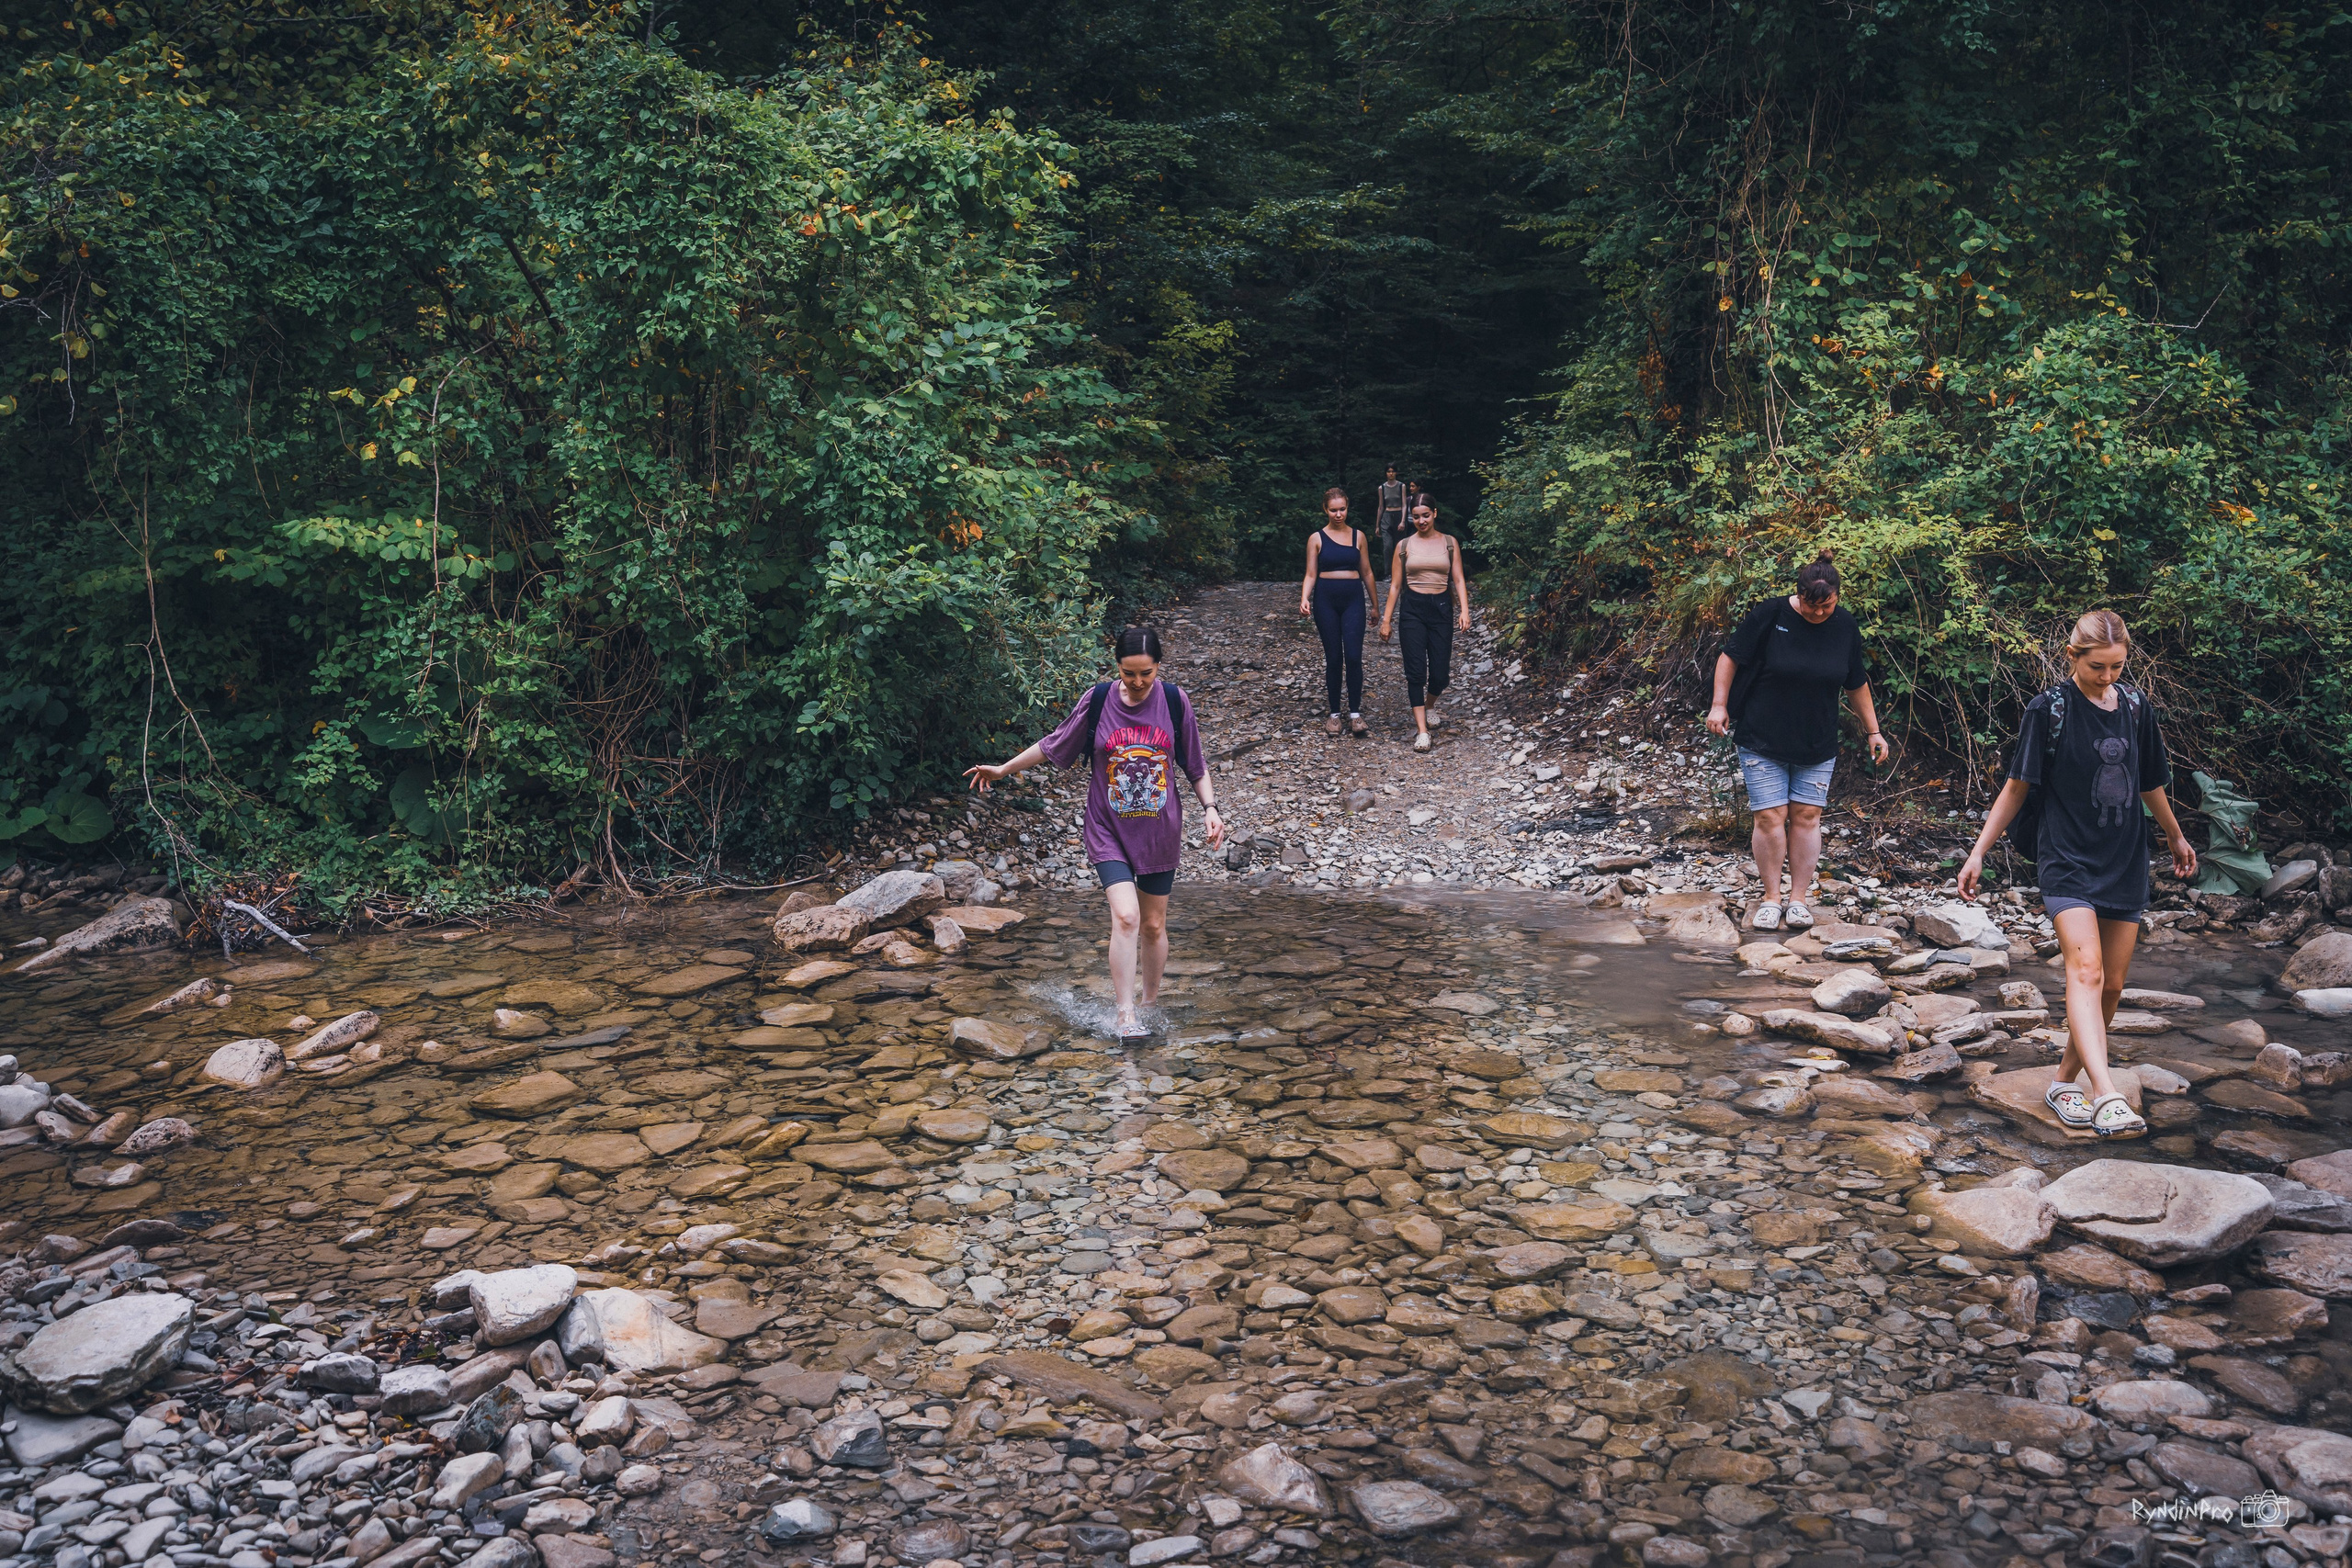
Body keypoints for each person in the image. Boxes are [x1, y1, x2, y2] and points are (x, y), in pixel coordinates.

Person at [1958, 611, 2197, 1140]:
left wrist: (2176, 836)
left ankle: (2063, 1081)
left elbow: (2149, 782)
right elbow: (2017, 787)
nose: (2107, 677)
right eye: (2096, 667)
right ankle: (2106, 1094)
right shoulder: (2049, 710)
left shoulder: (2136, 707)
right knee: (2084, 972)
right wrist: (1979, 853)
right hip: (2065, 856)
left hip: (2124, 855)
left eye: (2116, 666)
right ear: (2073, 657)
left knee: (2111, 985)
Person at [965, 626, 1224, 1041]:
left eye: (1147, 674)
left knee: (1154, 925)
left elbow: (1195, 764)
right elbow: (1055, 744)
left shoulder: (1175, 701)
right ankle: (1125, 1016)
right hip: (1107, 828)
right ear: (1116, 666)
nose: (1138, 683)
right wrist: (1003, 768)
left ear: (1159, 667)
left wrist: (1210, 809)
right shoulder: (1099, 700)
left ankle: (1150, 1005)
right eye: (1128, 673)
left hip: (1159, 831)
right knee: (1126, 916)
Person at [1704, 549, 1890, 931]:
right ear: (1799, 594)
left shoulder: (1845, 626)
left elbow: (1856, 682)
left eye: (1827, 607)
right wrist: (1718, 706)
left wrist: (1873, 730)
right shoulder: (1770, 615)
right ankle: (1772, 897)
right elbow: (1730, 657)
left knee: (1807, 817)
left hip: (1816, 739)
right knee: (1770, 816)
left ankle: (1798, 900)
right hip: (1762, 735)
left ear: (1838, 596)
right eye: (1811, 607)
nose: (1819, 614)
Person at [1378, 492, 1470, 752]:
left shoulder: (1450, 543)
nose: (1421, 521)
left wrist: (1464, 610)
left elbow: (1459, 579)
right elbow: (1395, 586)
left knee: (1440, 673)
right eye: (1416, 516)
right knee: (1415, 672)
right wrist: (1386, 621)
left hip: (1441, 608)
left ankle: (1431, 704)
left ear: (1435, 514)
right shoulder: (1404, 546)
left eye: (1426, 515)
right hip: (1413, 610)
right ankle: (1422, 731)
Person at [1298, 486, 1376, 738]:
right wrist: (1304, 598)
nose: (1338, 514)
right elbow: (1311, 573)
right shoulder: (1316, 538)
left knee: (1353, 656)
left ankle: (1355, 713)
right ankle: (1334, 714)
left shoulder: (1359, 537)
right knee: (1334, 657)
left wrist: (1375, 605)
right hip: (1326, 599)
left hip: (1353, 598)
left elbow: (1367, 572)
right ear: (1325, 510)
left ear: (1347, 508)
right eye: (1333, 510)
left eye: (1342, 509)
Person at [1374, 465, 1408, 575]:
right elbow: (1380, 507)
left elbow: (1404, 504)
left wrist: (1403, 520)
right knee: (1387, 546)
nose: (1391, 473)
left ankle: (1401, 573)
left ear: (1396, 473)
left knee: (1400, 545)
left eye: (1393, 471)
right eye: (1389, 471)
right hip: (1387, 515)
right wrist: (1377, 525)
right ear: (1386, 473)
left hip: (1398, 514)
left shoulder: (1401, 486)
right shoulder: (1382, 488)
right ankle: (1388, 573)